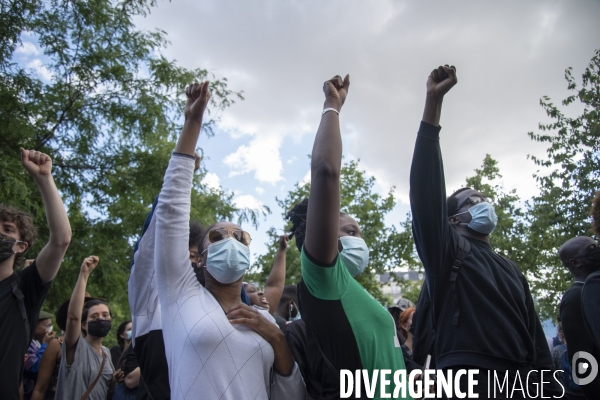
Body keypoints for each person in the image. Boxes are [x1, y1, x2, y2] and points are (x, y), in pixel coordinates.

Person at [409, 65, 560, 398]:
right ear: (452, 220)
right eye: (473, 199)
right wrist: (433, 105)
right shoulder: (447, 253)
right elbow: (426, 193)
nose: (483, 202)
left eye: (485, 198)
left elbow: (536, 342)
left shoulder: (510, 269)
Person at [151, 81, 304, 399]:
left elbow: (290, 392)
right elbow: (170, 211)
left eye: (240, 237)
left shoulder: (263, 319)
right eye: (218, 236)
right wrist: (193, 123)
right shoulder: (181, 298)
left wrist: (276, 339)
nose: (231, 241)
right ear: (201, 257)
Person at [292, 74, 409, 399]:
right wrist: (332, 106)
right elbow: (326, 172)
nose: (359, 238)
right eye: (351, 231)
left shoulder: (352, 292)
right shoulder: (324, 279)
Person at [0, 149, 71, 398]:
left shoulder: (24, 289)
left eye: (7, 230)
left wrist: (44, 179)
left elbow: (61, 240)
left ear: (21, 247)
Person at [55, 256, 123, 400]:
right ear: (83, 324)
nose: (100, 318)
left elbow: (105, 389)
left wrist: (114, 380)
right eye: (94, 316)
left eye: (105, 315)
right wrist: (84, 274)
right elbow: (73, 317)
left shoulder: (106, 353)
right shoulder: (76, 346)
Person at [558, 236, 600, 398]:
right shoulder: (575, 297)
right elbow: (582, 359)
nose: (597, 250)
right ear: (575, 262)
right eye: (591, 249)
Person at [244, 234, 289, 313]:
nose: (261, 292)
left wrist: (282, 249)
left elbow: (274, 286)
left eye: (257, 290)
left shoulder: (264, 316)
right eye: (252, 291)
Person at [23, 311, 55, 399]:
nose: (49, 329)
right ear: (34, 324)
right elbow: (34, 368)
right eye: (46, 325)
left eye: (50, 325)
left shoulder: (37, 342)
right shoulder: (26, 343)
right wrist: (45, 345)